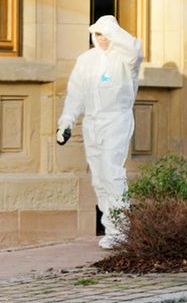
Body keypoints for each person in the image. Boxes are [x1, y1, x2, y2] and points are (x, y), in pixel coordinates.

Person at [56, 15, 143, 249]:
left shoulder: (126, 59)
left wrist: (112, 30)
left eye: (106, 34)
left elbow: (135, 49)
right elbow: (76, 93)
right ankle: (111, 227)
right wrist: (66, 121)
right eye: (98, 34)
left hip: (116, 119)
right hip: (92, 122)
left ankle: (120, 229)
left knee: (112, 173)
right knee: (99, 177)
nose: (102, 38)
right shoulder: (87, 60)